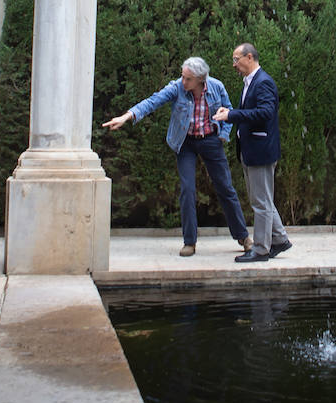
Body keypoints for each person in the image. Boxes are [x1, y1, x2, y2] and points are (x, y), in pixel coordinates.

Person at [103, 57, 252, 258]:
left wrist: (223, 135)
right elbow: (152, 101)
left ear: (200, 79)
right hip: (185, 142)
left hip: (210, 140)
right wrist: (127, 116)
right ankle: (189, 242)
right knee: (187, 189)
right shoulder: (177, 88)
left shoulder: (216, 87)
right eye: (183, 77)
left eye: (188, 79)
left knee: (225, 188)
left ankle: (243, 236)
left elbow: (229, 111)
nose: (183, 82)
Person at [214, 43, 290, 263]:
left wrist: (232, 115)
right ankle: (279, 239)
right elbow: (251, 111)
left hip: (260, 151)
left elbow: (266, 112)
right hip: (251, 150)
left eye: (236, 59)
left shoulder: (263, 82)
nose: (234, 64)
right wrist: (231, 112)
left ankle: (261, 249)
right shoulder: (250, 81)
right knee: (262, 199)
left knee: (261, 203)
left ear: (249, 57)